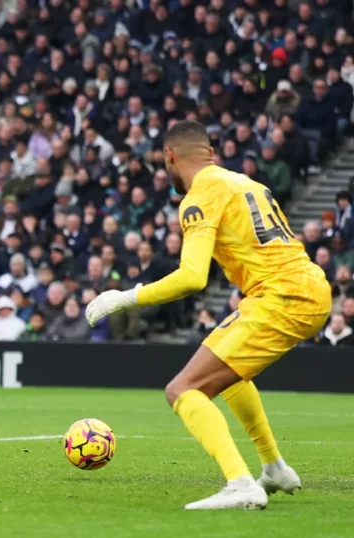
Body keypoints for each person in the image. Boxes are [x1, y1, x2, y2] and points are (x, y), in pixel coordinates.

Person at [86, 120, 330, 510]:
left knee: (183, 389)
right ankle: (274, 468)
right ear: (211, 153)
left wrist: (124, 297)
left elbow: (192, 277)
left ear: (169, 157)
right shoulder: (247, 183)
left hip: (282, 295)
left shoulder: (200, 195)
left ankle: (240, 484)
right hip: (304, 287)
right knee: (230, 372)